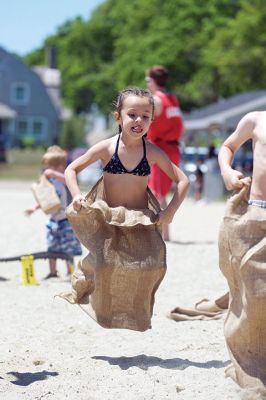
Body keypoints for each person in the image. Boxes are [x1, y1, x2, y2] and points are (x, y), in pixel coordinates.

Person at [61, 87, 189, 331]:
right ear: (118, 117)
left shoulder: (151, 151)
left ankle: (133, 315)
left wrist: (170, 211)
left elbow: (183, 180)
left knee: (153, 266)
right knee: (104, 265)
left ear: (152, 120)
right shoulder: (107, 148)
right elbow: (71, 170)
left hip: (139, 219)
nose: (138, 120)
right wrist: (76, 195)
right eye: (132, 114)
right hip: (107, 216)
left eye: (145, 115)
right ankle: (87, 284)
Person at [218, 111, 266, 390]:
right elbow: (228, 146)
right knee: (257, 294)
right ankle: (252, 360)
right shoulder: (257, 119)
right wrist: (227, 170)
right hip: (258, 215)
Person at [25, 146, 82, 279]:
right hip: (53, 220)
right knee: (52, 246)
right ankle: (53, 271)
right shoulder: (49, 183)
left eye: (56, 167)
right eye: (48, 168)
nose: (51, 171)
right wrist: (34, 207)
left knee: (68, 247)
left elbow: (68, 181)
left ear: (63, 167)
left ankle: (70, 270)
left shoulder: (66, 180)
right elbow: (46, 199)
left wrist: (54, 174)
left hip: (66, 220)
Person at [145, 65, 184, 240]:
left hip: (160, 148)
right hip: (174, 148)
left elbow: (145, 124)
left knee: (157, 192)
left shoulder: (155, 101)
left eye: (148, 80)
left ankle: (164, 234)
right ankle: (165, 233)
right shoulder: (173, 100)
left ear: (153, 81)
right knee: (162, 192)